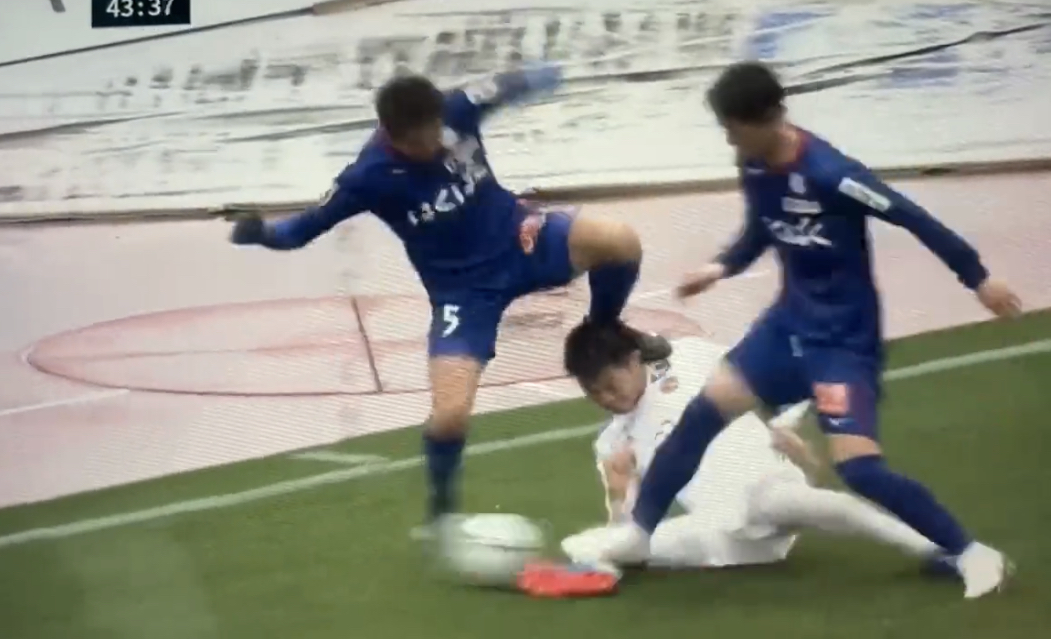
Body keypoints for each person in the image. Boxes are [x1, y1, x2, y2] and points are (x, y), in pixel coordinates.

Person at [566, 61, 1021, 598]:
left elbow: (913, 217)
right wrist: (722, 266)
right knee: (702, 414)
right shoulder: (754, 164)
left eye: (734, 128)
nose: (729, 139)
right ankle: (639, 534)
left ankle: (970, 553)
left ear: (768, 117)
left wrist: (979, 278)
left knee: (861, 470)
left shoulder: (833, 174)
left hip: (842, 342)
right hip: (785, 326)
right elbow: (762, 227)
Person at [224, 65, 671, 533]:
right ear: (393, 137)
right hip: (462, 293)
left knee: (618, 240)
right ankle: (442, 511)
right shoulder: (368, 177)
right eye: (422, 139)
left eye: (437, 128)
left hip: (522, 237)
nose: (436, 142)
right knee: (450, 414)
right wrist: (259, 234)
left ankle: (604, 329)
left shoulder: (460, 106)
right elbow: (301, 230)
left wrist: (550, 73)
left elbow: (511, 82)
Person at [559, 324, 945, 572]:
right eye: (594, 394)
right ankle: (600, 572)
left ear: (633, 361)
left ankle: (933, 549)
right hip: (719, 532)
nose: (606, 399)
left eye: (610, 386)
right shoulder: (612, 442)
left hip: (759, 488)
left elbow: (766, 374)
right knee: (583, 544)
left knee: (830, 506)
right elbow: (629, 528)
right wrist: (618, 490)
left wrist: (780, 424)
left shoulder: (689, 356)